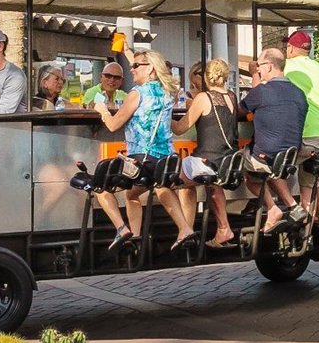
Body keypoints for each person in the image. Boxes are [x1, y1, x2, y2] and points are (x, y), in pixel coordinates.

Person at [92, 50, 194, 251]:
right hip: (165, 160)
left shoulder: (136, 93)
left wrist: (102, 110)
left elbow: (113, 125)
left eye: (136, 65)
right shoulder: (167, 94)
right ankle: (181, 229)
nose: (132, 69)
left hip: (141, 161)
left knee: (99, 187)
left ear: (151, 69)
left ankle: (122, 229)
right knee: (138, 192)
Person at [171, 57, 238, 248]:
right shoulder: (232, 96)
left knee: (172, 180)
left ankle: (186, 230)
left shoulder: (203, 98)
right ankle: (223, 229)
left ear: (207, 78)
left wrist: (163, 114)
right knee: (203, 184)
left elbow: (179, 129)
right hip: (227, 160)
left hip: (206, 161)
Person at [242, 48, 308, 233]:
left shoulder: (263, 91)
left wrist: (254, 76)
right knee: (270, 167)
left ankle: (272, 208)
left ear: (269, 66)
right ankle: (292, 205)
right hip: (291, 154)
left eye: (259, 66)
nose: (258, 69)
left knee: (245, 168)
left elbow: (239, 110)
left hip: (267, 155)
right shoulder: (299, 92)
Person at [283, 30, 319, 222]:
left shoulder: (287, 67)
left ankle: (289, 209)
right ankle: (310, 214)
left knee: (274, 167)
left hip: (307, 132)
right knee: (309, 175)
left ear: (290, 48)